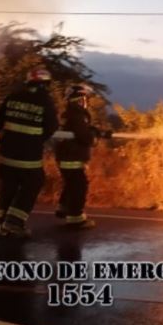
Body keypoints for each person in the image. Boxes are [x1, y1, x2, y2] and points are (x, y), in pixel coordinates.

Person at [0, 67, 58, 237]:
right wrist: (38, 138)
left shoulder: (13, 96)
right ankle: (14, 223)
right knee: (34, 183)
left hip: (7, 153)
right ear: (45, 84)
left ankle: (3, 223)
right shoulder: (45, 101)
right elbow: (52, 127)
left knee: (8, 187)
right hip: (28, 155)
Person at [54, 83, 111, 229]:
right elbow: (84, 136)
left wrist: (100, 132)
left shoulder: (70, 113)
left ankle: (64, 208)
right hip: (72, 156)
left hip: (65, 156)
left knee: (71, 183)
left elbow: (82, 129)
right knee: (79, 186)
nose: (87, 102)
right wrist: (94, 138)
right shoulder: (77, 114)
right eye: (85, 98)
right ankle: (75, 219)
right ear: (80, 99)